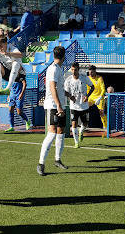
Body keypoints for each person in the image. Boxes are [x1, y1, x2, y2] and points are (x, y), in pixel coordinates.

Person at [37, 46, 74, 176]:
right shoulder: (53, 69)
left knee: (60, 132)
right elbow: (52, 87)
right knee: (52, 133)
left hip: (61, 105)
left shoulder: (58, 68)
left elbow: (58, 88)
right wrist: (58, 105)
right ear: (63, 57)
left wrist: (68, 95)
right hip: (53, 105)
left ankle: (57, 159)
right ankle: (41, 163)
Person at [64, 62, 94, 148]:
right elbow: (65, 91)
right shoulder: (68, 80)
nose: (73, 71)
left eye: (75, 70)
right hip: (74, 105)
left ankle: (81, 131)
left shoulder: (84, 78)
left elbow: (92, 87)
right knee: (74, 123)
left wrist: (87, 96)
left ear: (78, 70)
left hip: (83, 105)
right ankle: (76, 142)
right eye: (72, 70)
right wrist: (70, 96)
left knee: (85, 123)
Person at [87, 65, 107, 129]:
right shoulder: (88, 78)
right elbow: (87, 89)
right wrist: (86, 97)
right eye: (89, 73)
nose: (91, 74)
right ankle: (84, 124)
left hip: (99, 97)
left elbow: (103, 89)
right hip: (91, 97)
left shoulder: (99, 78)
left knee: (101, 112)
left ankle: (105, 126)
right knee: (83, 108)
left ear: (95, 72)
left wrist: (100, 97)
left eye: (92, 72)